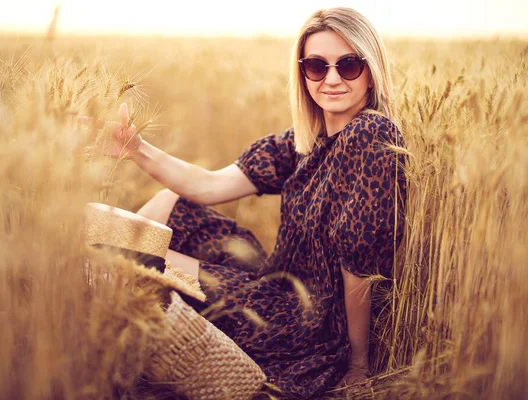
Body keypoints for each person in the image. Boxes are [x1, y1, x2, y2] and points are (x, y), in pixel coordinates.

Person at [79, 7, 407, 398]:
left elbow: (358, 263)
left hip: (302, 321)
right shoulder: (305, 142)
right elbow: (207, 185)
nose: (332, 78)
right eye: (317, 66)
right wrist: (136, 149)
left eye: (349, 65)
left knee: (142, 261)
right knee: (170, 202)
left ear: (371, 72)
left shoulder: (371, 133)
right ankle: (91, 291)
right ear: (302, 74)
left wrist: (357, 363)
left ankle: (88, 323)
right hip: (273, 283)